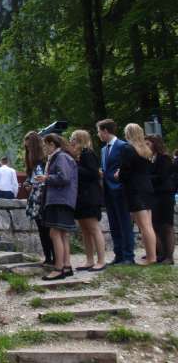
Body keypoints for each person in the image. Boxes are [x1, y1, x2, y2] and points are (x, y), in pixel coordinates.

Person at [35, 134, 78, 280]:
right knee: (63, 234)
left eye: (46, 145)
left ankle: (58, 268)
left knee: (54, 233)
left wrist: (46, 178)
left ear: (52, 144)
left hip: (59, 200)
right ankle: (66, 266)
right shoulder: (63, 156)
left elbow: (64, 177)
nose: (44, 148)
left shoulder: (60, 157)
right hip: (64, 200)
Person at [97, 119, 135, 265]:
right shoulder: (103, 149)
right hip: (107, 191)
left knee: (124, 223)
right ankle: (118, 254)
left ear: (105, 131)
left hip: (120, 190)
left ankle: (128, 256)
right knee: (114, 224)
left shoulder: (123, 146)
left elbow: (127, 168)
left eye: (99, 131)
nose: (98, 134)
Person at [118, 123, 156, 265]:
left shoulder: (127, 149)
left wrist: (118, 175)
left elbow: (125, 171)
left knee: (143, 225)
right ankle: (151, 255)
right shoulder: (146, 150)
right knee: (148, 225)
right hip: (147, 188)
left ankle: (151, 258)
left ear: (128, 134)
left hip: (135, 190)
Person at [70, 130, 106, 272]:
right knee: (84, 230)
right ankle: (89, 259)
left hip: (90, 196)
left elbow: (93, 174)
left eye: (72, 138)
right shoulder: (78, 156)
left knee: (93, 228)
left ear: (79, 140)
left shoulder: (87, 154)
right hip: (81, 197)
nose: (71, 141)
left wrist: (75, 168)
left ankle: (101, 260)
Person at [22, 131, 55, 266]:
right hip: (35, 197)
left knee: (47, 228)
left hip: (43, 197)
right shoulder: (33, 163)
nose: (27, 150)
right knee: (41, 229)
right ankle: (48, 256)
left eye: (29, 147)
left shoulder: (43, 161)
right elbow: (32, 178)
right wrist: (28, 183)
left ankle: (54, 257)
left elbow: (43, 180)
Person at [146, 135, 175, 264]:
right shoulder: (150, 158)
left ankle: (169, 256)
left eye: (148, 144)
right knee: (155, 225)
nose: (146, 146)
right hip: (155, 195)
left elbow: (162, 176)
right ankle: (161, 253)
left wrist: (145, 178)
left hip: (165, 195)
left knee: (166, 226)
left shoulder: (164, 158)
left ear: (155, 144)